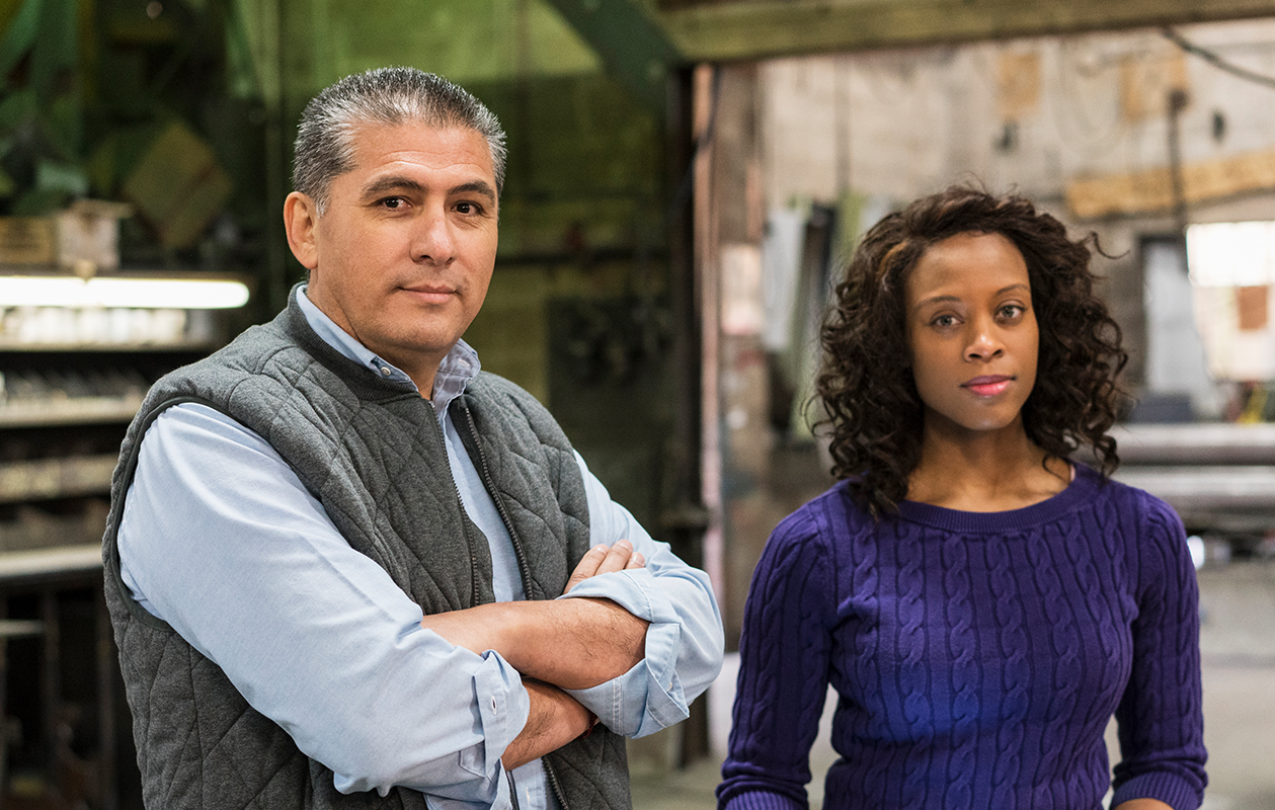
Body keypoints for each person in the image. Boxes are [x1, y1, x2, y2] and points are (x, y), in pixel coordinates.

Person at [102, 67, 723, 810]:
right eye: (395, 202)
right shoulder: (212, 437)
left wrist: (498, 629)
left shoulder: (517, 424)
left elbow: (691, 633)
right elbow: (386, 723)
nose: (438, 242)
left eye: (468, 207)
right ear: (306, 227)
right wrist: (595, 689)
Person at [717, 187, 1206, 810]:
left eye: (1008, 311)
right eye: (945, 319)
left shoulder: (1138, 534)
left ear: (1043, 326)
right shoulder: (818, 547)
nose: (983, 341)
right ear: (898, 346)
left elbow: (1165, 763)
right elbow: (761, 782)